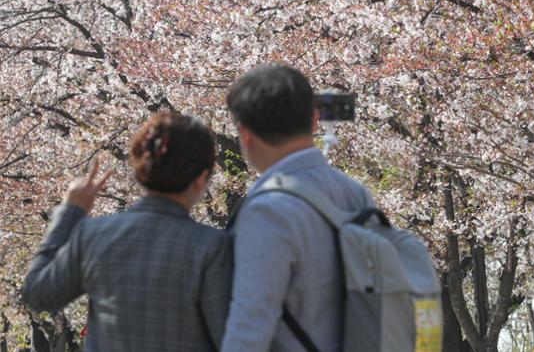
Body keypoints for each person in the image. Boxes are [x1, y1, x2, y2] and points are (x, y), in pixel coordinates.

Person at [22, 112, 231, 351]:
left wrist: (70, 213)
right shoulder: (211, 246)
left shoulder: (92, 235)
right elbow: (228, 339)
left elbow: (38, 294)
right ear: (201, 178)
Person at [221, 62, 375, 352]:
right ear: (315, 121)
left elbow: (251, 324)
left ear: (245, 135)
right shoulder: (356, 194)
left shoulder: (266, 209)